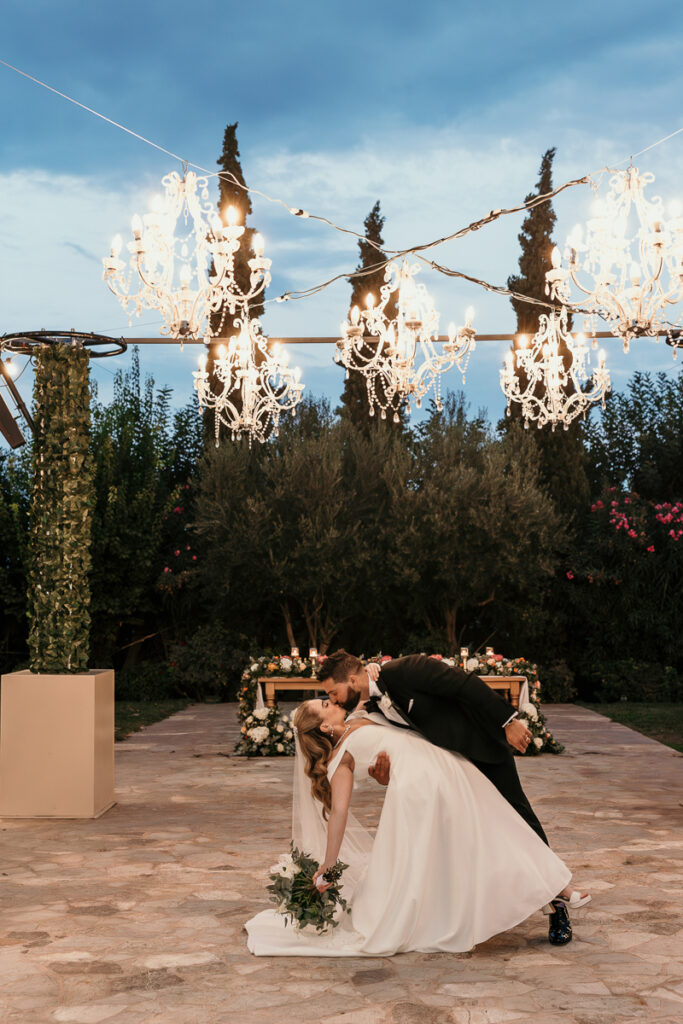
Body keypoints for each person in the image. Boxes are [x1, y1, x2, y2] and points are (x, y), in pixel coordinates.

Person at [245, 697, 573, 957]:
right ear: (324, 727)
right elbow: (339, 811)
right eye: (325, 705)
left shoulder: (358, 719)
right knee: (476, 839)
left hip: (442, 765)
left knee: (496, 827)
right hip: (422, 787)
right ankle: (545, 890)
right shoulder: (339, 760)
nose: (332, 702)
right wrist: (329, 865)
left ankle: (548, 888)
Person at [316, 650, 589, 944]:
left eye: (333, 692)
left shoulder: (405, 670)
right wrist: (384, 777)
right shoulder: (370, 708)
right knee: (482, 834)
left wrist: (508, 721)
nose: (333, 699)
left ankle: (557, 904)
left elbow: (464, 683)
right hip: (448, 765)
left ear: (352, 680)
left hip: (480, 746)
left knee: (520, 818)